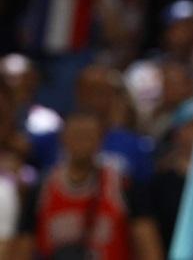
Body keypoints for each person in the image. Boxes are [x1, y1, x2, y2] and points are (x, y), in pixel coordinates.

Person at [13, 111, 162, 260]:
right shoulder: (42, 188)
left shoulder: (124, 186)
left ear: (101, 140)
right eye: (76, 135)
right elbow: (22, 248)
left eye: (88, 136)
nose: (82, 142)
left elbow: (147, 244)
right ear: (62, 138)